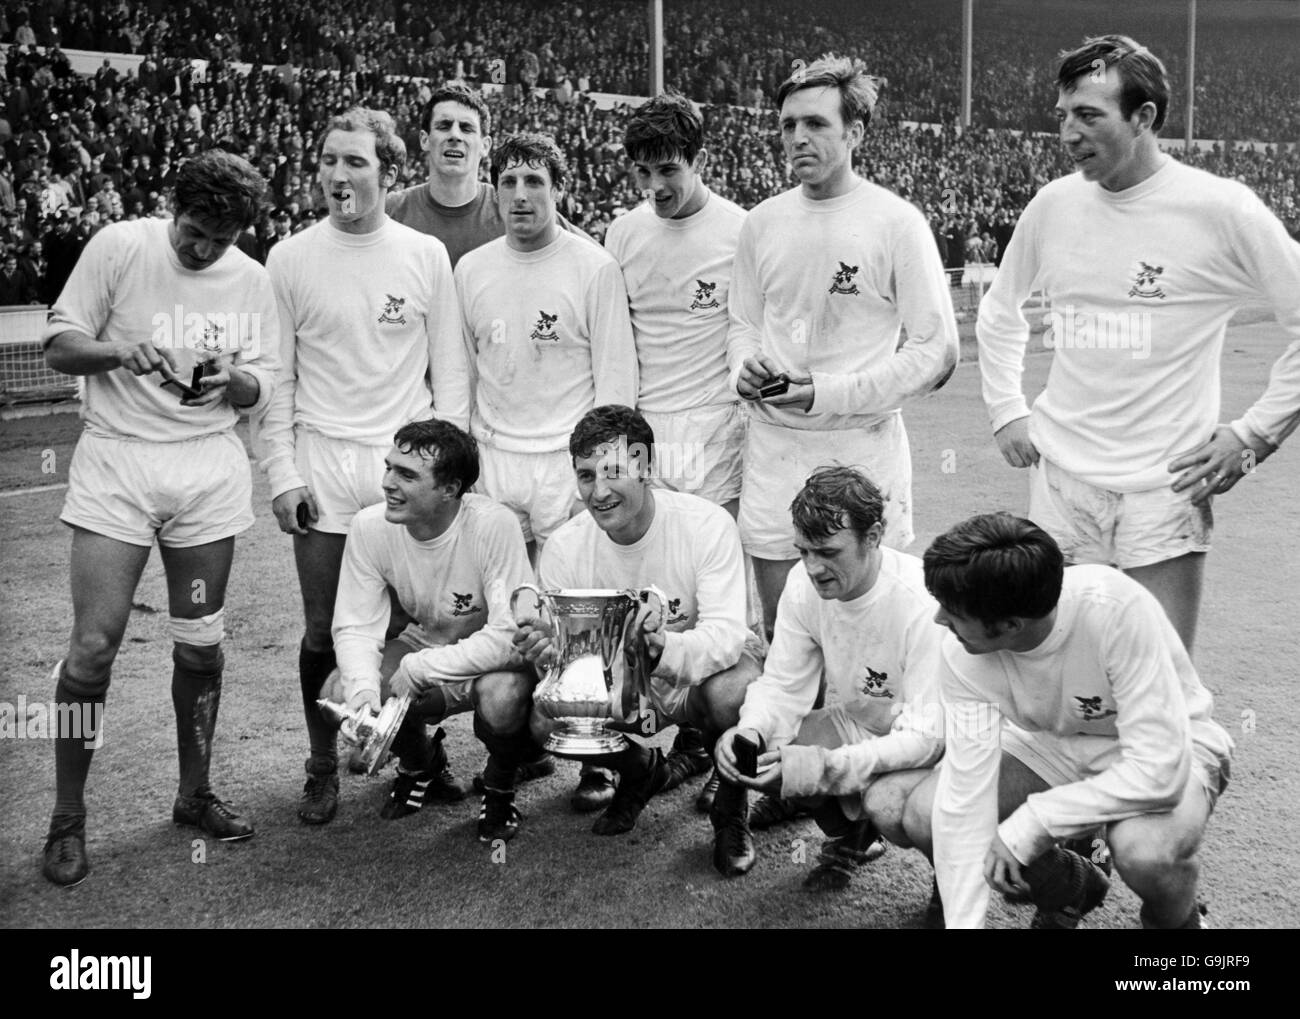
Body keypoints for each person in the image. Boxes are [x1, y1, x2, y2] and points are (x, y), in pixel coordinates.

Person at [977, 35, 1300, 654]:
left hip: (1166, 483)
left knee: (1163, 674)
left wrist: (1254, 434)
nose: (1069, 133)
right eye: (1063, 116)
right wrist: (1005, 409)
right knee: (1067, 666)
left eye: (1089, 115)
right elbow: (1000, 311)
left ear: (1144, 117)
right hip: (1062, 479)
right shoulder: (1054, 204)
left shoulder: (1222, 209)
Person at [39, 149, 280, 886]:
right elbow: (57, 345)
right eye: (194, 230)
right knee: (92, 649)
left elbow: (264, 387)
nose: (204, 248)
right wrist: (119, 350)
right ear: (170, 206)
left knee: (202, 645)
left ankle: (193, 791)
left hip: (206, 469)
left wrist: (235, 377)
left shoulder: (252, 278)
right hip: (118, 463)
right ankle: (67, 818)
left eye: (222, 237)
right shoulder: (120, 245)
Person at [252, 106, 470, 826]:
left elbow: (453, 379)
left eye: (356, 162)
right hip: (323, 467)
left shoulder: (424, 255)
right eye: (328, 160)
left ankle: (416, 758)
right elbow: (276, 381)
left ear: (386, 171)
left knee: (403, 631)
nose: (339, 175)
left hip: (402, 469)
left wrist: (450, 478)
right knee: (324, 631)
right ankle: (322, 768)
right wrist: (281, 474)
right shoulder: (288, 259)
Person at [906, 513, 1234, 929]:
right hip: (1053, 743)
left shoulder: (1114, 609)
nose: (938, 620)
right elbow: (964, 802)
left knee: (1146, 853)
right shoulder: (959, 651)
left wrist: (1036, 821)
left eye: (952, 611)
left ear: (1011, 625)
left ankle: (1179, 927)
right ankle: (1073, 887)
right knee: (926, 813)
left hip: (1169, 747)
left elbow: (1158, 772)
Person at [727, 55, 959, 641]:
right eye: (787, 125)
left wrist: (828, 392)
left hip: (861, 446)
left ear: (854, 132)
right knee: (785, 630)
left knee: (869, 629)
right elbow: (742, 325)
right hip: (776, 446)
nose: (798, 137)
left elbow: (938, 351)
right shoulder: (762, 223)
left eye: (816, 124)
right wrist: (743, 365)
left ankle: (875, 734)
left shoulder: (895, 222)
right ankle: (786, 732)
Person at [513, 405, 763, 876]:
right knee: (546, 719)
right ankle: (640, 770)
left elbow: (728, 636)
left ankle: (731, 812)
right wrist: (549, 658)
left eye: (613, 472)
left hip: (697, 674)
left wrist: (662, 646)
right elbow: (566, 656)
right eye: (586, 476)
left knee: (737, 694)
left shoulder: (707, 524)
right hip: (620, 678)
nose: (598, 491)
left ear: (647, 467)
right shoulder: (565, 545)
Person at [603, 91, 748, 811]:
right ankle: (646, 751)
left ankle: (718, 755)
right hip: (646, 431)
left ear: (699, 159)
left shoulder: (740, 232)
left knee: (707, 590)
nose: (654, 188)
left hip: (716, 428)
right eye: (640, 173)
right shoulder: (622, 234)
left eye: (667, 170)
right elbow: (617, 339)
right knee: (652, 588)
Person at [715, 466, 943, 890]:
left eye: (828, 552)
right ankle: (852, 839)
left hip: (935, 742)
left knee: (890, 805)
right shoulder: (803, 585)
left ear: (873, 536)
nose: (813, 567)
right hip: (867, 723)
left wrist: (823, 767)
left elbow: (928, 736)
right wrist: (749, 733)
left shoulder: (919, 600)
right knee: (783, 742)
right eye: (803, 551)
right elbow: (783, 684)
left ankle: (948, 884)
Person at [324, 418, 540, 841]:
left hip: (489, 662)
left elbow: (509, 636)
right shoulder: (369, 526)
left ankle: (499, 785)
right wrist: (364, 696)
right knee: (341, 692)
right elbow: (355, 625)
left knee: (504, 697)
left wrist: (425, 665)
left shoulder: (495, 524)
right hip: (425, 645)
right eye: (389, 467)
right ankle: (424, 765)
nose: (387, 482)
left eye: (406, 474)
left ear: (451, 489)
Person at [454, 132, 637, 565]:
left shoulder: (595, 268)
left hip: (564, 460)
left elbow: (615, 380)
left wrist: (598, 470)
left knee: (570, 602)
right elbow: (463, 373)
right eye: (509, 182)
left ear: (558, 189)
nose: (521, 195)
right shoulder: (471, 269)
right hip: (494, 456)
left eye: (534, 181)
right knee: (502, 603)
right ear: (494, 191)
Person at [387, 81, 593, 269]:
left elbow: (598, 257)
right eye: (444, 126)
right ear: (424, 139)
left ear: (485, 146)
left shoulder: (513, 207)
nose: (455, 135)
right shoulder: (392, 210)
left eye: (466, 128)